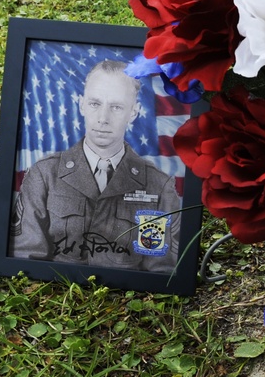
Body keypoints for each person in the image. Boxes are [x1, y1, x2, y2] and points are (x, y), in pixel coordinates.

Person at [10, 60, 182, 272]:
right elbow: (26, 259)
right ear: (82, 105)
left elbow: (161, 269)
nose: (103, 118)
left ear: (134, 112)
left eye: (116, 107)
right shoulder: (45, 175)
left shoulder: (157, 185)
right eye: (95, 104)